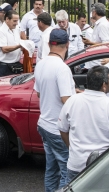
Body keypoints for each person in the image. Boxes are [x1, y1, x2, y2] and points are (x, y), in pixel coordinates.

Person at [57, 66, 109, 183]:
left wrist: (71, 147)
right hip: (103, 166)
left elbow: (62, 129)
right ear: (104, 85)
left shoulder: (72, 101)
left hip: (76, 164)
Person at [33, 29, 76, 192]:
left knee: (51, 169)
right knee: (67, 171)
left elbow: (39, 92)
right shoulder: (62, 68)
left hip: (44, 124)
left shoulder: (41, 63)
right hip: (57, 128)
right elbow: (66, 101)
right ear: (67, 45)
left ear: (50, 43)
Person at [0, 10, 23, 76]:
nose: (16, 23)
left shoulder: (16, 29)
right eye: (14, 21)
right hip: (5, 66)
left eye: (17, 21)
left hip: (16, 64)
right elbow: (4, 49)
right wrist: (19, 46)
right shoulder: (0, 31)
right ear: (7, 19)